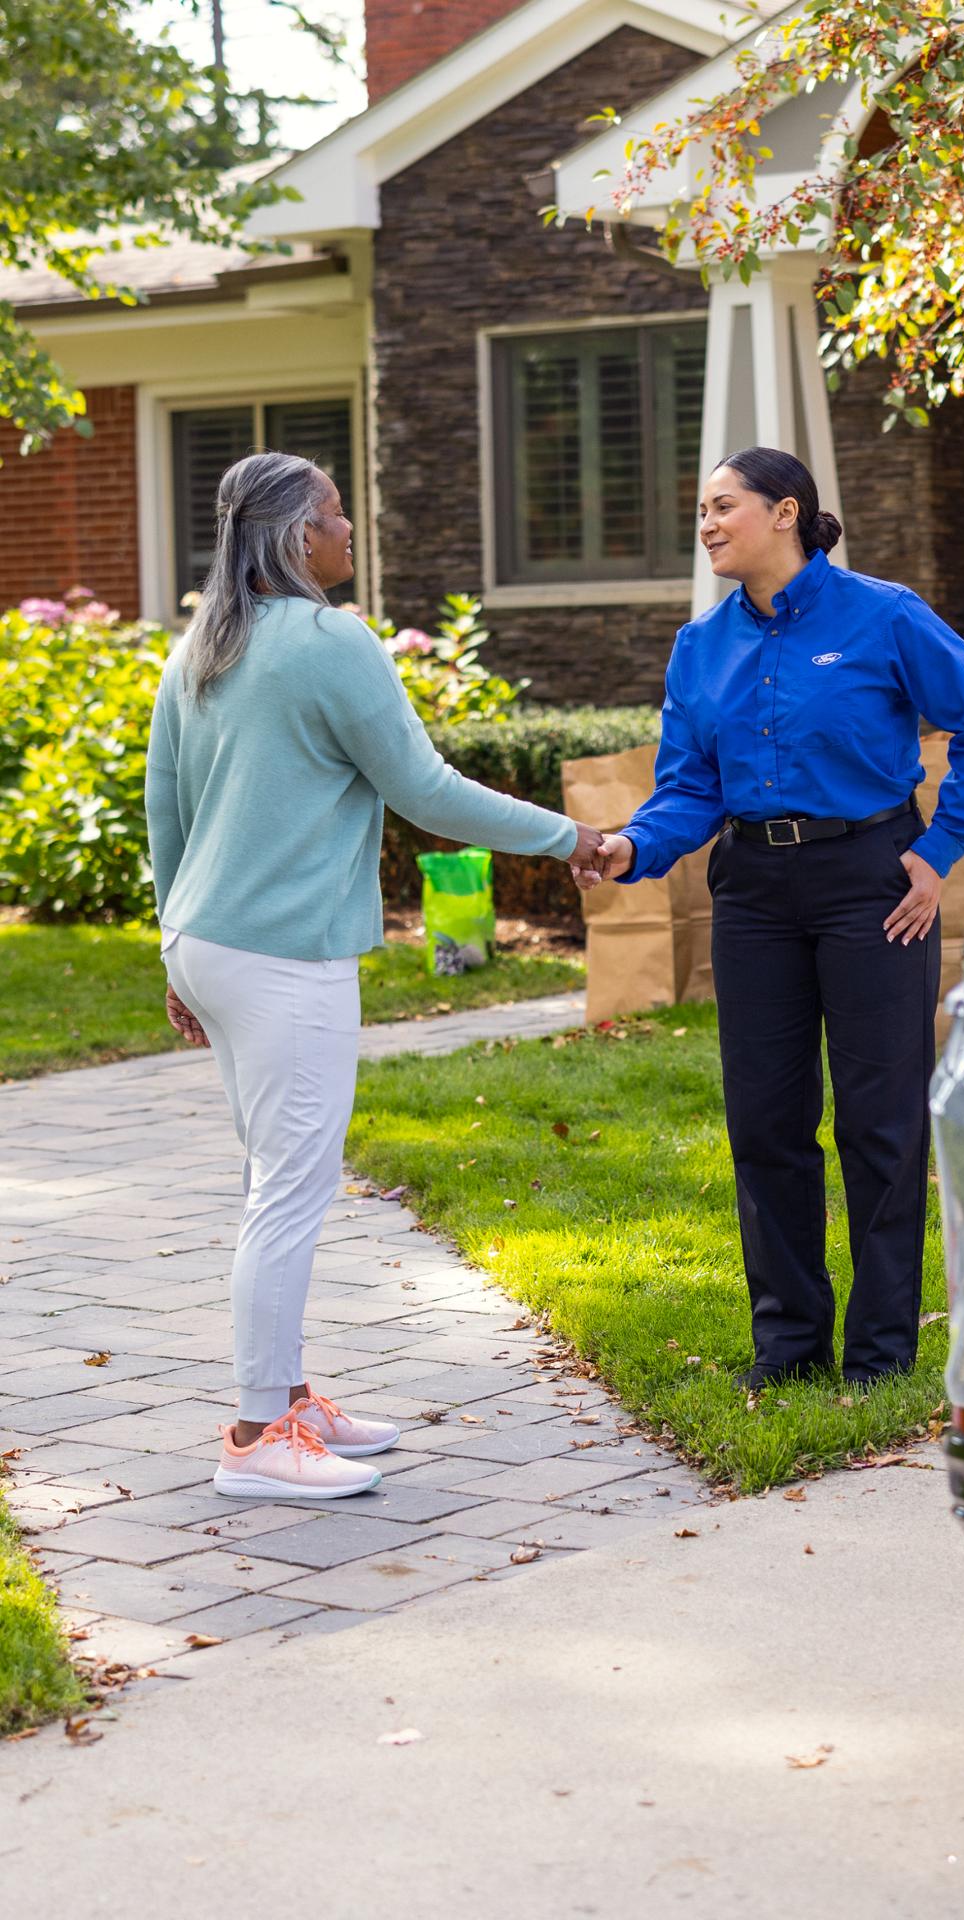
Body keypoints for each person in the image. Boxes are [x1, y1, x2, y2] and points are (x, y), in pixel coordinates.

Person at [145, 451, 605, 1498]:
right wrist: (569, 836)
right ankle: (259, 1438)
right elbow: (426, 791)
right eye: (338, 515)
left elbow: (164, 811)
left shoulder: (200, 649)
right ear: (296, 539)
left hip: (210, 942)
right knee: (290, 1191)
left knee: (274, 1179)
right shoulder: (325, 640)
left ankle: (291, 1397)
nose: (352, 531)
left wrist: (175, 947)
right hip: (282, 952)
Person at [574, 447, 964, 1390]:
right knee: (767, 1121)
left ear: (786, 513)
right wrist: (632, 847)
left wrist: (936, 853)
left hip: (873, 883)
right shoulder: (701, 645)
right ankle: (788, 1347)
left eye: (722, 507)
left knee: (881, 1122)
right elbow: (690, 786)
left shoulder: (885, 614)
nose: (705, 525)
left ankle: (880, 1352)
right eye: (699, 509)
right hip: (753, 892)